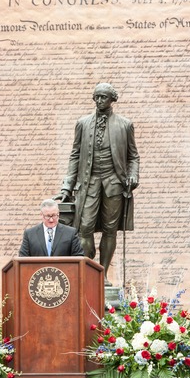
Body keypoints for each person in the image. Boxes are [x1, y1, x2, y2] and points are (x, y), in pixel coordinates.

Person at [56, 82, 140, 284]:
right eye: (97, 97)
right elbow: (75, 155)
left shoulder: (125, 124)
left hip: (114, 183)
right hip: (89, 183)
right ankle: (88, 271)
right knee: (85, 227)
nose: (100, 100)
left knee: (110, 230)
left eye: (104, 97)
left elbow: (133, 157)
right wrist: (67, 186)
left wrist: (133, 176)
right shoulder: (83, 123)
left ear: (113, 100)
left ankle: (102, 275)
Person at [19, 198, 84, 257]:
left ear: (58, 213)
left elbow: (79, 257)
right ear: (41, 215)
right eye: (47, 216)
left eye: (54, 216)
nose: (51, 220)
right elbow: (22, 258)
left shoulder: (70, 233)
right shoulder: (30, 234)